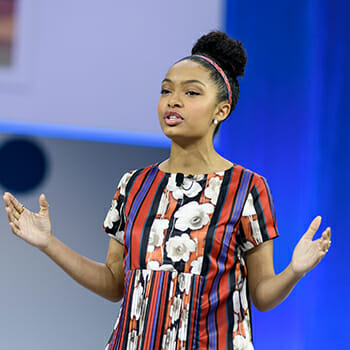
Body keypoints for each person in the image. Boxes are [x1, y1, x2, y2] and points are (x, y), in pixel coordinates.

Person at [3, 31, 331, 350]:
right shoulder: (133, 184)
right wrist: (48, 244)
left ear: (222, 110)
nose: (173, 101)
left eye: (191, 93)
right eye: (165, 91)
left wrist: (294, 271)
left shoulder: (247, 187)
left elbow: (261, 294)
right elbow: (115, 283)